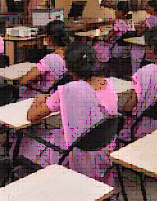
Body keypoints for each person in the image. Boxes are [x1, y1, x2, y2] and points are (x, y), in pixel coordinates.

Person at [18, 42, 118, 184]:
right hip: (104, 150)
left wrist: (37, 100)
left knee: (23, 142)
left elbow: (31, 116)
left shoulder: (69, 90)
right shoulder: (109, 84)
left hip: (72, 152)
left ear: (70, 70)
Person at [19, 20, 68, 98]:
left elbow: (24, 80)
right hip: (59, 94)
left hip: (42, 95)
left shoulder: (51, 59)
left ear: (49, 38)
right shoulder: (71, 54)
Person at [131, 0, 157, 73]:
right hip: (154, 43)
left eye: (148, 6)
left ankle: (135, 74)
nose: (146, 8)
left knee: (134, 53)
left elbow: (140, 32)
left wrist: (132, 33)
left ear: (153, 8)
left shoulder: (151, 19)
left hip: (146, 44)